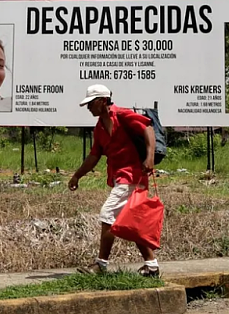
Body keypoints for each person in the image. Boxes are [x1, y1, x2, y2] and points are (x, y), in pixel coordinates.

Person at [67, 84, 161, 277]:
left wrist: (150, 157)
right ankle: (152, 267)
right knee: (131, 223)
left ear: (102, 101)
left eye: (91, 104)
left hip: (133, 175)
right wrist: (77, 175)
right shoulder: (99, 128)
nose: (88, 108)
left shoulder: (122, 115)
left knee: (107, 214)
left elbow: (147, 127)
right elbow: (94, 156)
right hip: (120, 177)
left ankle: (100, 265)